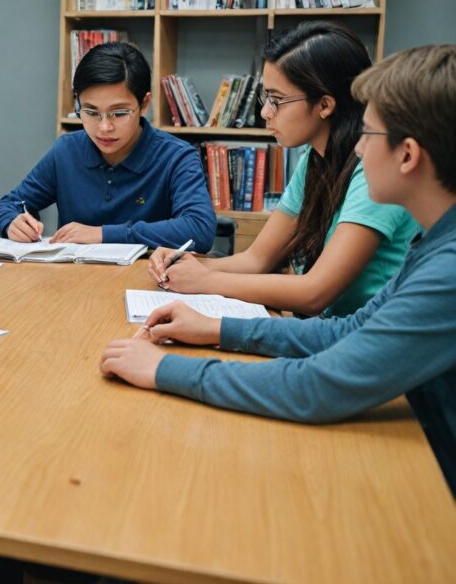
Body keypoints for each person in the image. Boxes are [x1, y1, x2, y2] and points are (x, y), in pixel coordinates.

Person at [101, 44, 456, 490]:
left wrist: (164, 369)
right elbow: (345, 332)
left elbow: (320, 386)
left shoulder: (448, 271)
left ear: (407, 155)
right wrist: (217, 329)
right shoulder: (436, 243)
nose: (360, 150)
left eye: (369, 135)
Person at [149, 21, 419, 317]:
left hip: (358, 339)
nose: (265, 112)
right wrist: (190, 263)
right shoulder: (315, 159)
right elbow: (257, 259)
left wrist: (208, 280)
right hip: (323, 331)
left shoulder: (373, 171)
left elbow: (314, 293)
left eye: (276, 100)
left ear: (325, 105)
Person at [0, 42, 215, 251]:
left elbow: (199, 230)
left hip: (145, 281)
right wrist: (11, 222)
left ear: (144, 104)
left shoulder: (177, 157)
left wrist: (103, 234)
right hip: (74, 282)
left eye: (119, 113)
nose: (104, 127)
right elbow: (8, 204)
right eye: (91, 112)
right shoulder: (67, 150)